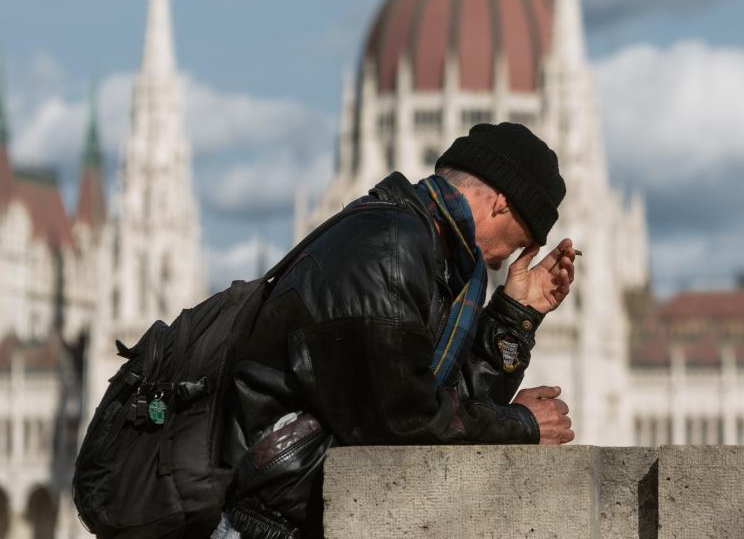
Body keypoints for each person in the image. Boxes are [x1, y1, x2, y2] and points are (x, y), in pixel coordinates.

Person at [217, 122, 578, 539]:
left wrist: (516, 315)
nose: (502, 261)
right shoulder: (390, 250)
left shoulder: (421, 247)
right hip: (267, 524)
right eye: (517, 243)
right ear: (500, 203)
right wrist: (522, 425)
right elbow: (406, 421)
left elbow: (445, 403)